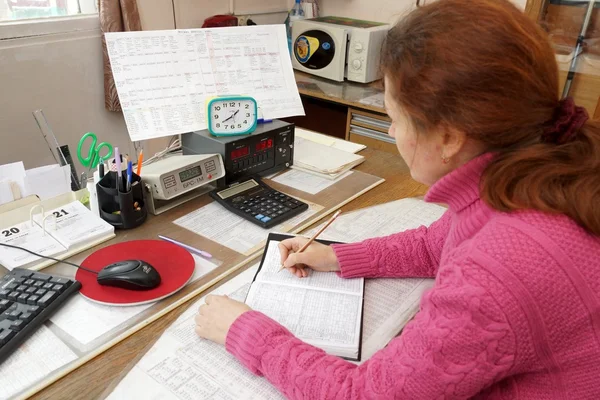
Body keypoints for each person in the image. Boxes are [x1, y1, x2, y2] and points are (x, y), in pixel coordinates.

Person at [195, 0, 600, 398]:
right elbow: (436, 245)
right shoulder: (537, 169)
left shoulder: (499, 268)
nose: (391, 133)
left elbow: (366, 394)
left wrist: (244, 331)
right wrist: (336, 257)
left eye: (393, 118)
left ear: (449, 137)